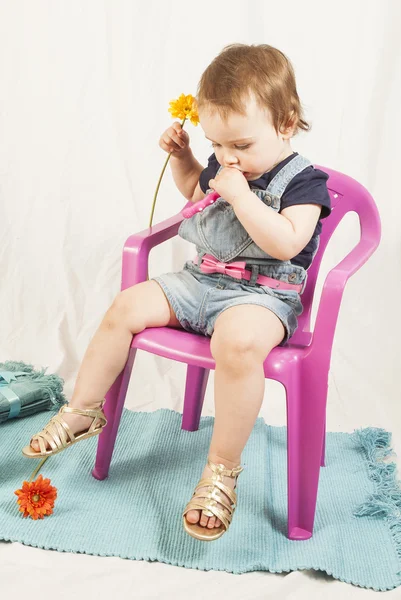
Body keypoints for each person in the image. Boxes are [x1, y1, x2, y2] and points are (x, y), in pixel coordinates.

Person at [22, 43, 331, 542]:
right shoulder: (223, 164)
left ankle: (221, 471)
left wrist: (243, 197)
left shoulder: (305, 184)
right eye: (217, 144)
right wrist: (186, 157)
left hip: (262, 296)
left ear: (286, 122)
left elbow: (287, 241)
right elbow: (193, 194)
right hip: (200, 281)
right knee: (125, 306)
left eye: (241, 146)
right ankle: (83, 409)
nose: (227, 158)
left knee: (237, 345)